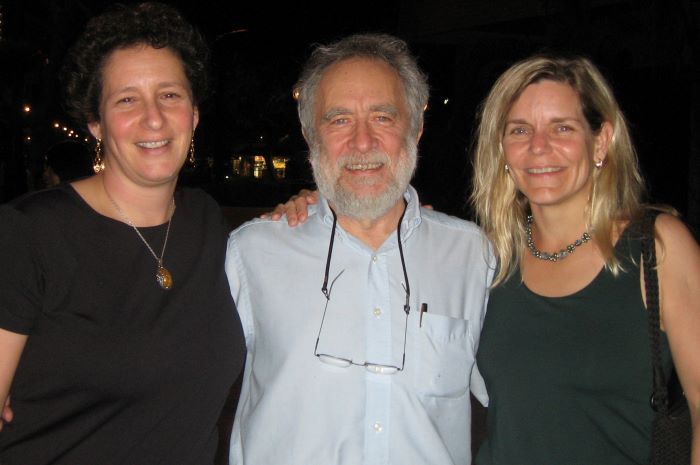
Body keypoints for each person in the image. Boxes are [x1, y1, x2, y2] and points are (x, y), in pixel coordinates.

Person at [225, 33, 494, 465]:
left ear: (417, 126)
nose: (363, 143)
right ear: (311, 134)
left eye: (383, 118)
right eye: (339, 120)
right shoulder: (251, 253)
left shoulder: (472, 256)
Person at [0, 3, 245, 464]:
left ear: (193, 115)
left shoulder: (207, 222)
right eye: (127, 99)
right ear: (95, 123)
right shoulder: (29, 234)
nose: (153, 118)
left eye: (170, 95)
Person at [470, 55, 700, 464]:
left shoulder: (658, 249)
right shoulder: (488, 256)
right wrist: (317, 212)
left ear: (600, 141)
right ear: (502, 149)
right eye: (520, 130)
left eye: (562, 128)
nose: (539, 147)